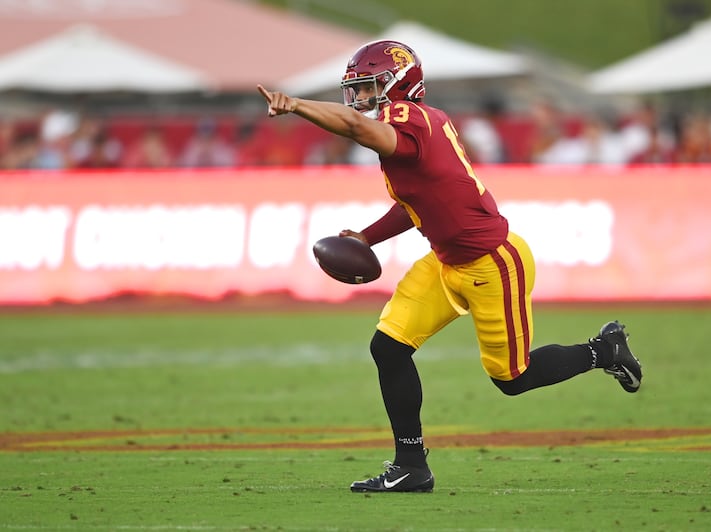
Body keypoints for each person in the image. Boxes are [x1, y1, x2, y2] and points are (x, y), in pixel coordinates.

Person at [258, 40, 643, 493]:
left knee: (512, 378)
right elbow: (418, 202)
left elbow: (356, 127)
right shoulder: (417, 123)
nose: (361, 97)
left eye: (369, 86)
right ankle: (411, 466)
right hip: (444, 261)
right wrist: (365, 238)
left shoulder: (408, 116)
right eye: (357, 88)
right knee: (389, 347)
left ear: (399, 83)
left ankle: (604, 351)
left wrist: (296, 105)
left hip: (491, 263)